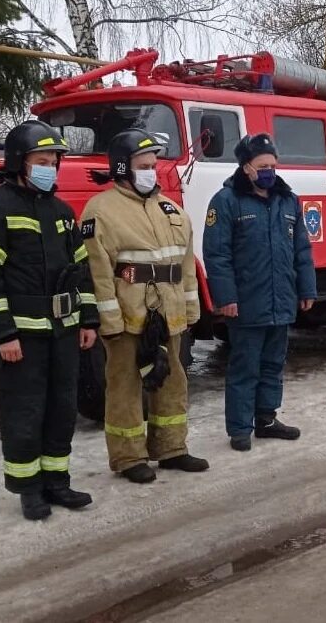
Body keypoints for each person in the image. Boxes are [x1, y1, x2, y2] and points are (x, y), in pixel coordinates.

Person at [0, 120, 99, 521]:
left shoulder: (60, 210)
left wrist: (87, 319)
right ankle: (29, 489)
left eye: (55, 161)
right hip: (20, 337)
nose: (50, 168)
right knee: (24, 411)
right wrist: (3, 332)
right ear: (20, 162)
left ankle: (57, 481)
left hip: (63, 333)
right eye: (43, 161)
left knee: (61, 408)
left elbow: (81, 269)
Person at [81, 129, 209, 483]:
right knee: (124, 386)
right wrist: (109, 319)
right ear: (123, 167)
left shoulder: (170, 210)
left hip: (168, 315)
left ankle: (172, 449)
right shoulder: (101, 211)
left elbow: (185, 265)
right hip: (127, 317)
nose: (152, 171)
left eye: (153, 164)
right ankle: (128, 457)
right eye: (144, 165)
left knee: (173, 381)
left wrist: (189, 309)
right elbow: (98, 271)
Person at [202, 133, 317, 452]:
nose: (270, 171)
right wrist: (226, 298)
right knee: (245, 366)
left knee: (272, 364)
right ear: (246, 167)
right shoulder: (226, 201)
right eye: (263, 165)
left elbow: (302, 249)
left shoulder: (288, 199)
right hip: (246, 303)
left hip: (281, 300)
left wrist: (307, 287)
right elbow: (217, 254)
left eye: (273, 165)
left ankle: (266, 419)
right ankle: (239, 428)